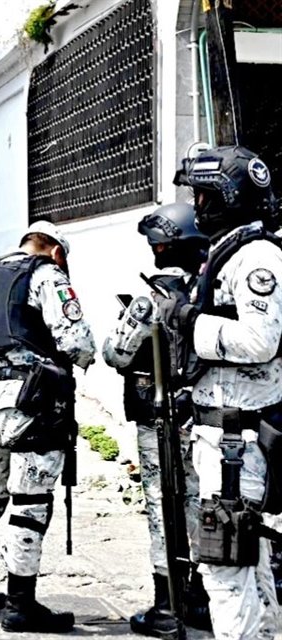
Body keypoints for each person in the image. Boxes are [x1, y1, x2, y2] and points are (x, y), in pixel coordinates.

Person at [0, 220, 96, 633]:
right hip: (33, 403)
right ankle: (20, 603)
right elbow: (78, 343)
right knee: (31, 502)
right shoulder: (47, 274)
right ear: (57, 252)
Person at [163, 145, 282, 640]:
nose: (197, 206)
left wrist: (188, 321)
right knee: (248, 563)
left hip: (238, 442)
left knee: (225, 569)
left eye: (203, 196)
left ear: (227, 198)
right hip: (226, 436)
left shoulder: (257, 256)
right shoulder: (230, 250)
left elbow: (260, 340)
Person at [102, 203, 212, 636]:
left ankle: (168, 606)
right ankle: (202, 597)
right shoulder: (210, 291)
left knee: (162, 508)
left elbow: (116, 353)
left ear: (164, 246)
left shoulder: (149, 299)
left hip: (158, 418)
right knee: (201, 501)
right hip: (203, 415)